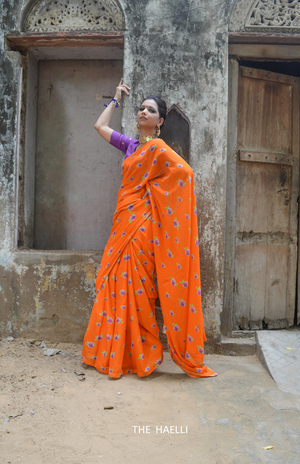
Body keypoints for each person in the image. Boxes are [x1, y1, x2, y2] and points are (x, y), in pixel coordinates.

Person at [81, 79, 217, 379]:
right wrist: (116, 98)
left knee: (138, 291)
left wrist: (155, 194)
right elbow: (99, 127)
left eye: (150, 110)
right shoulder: (131, 145)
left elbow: (185, 173)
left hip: (141, 228)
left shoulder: (157, 148)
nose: (143, 112)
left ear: (160, 121)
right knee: (116, 285)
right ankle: (118, 352)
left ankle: (142, 355)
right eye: (141, 108)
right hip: (122, 224)